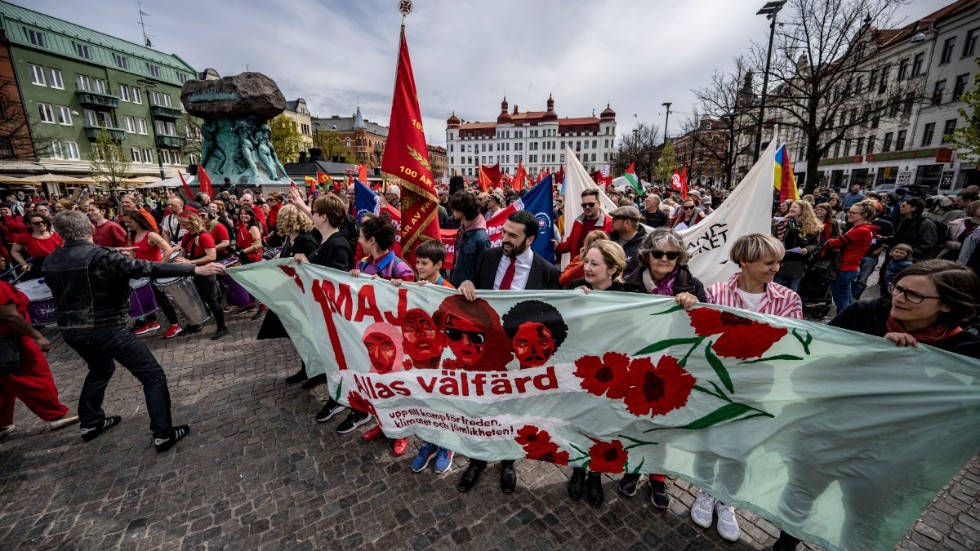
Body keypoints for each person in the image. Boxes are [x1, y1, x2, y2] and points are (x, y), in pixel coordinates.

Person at [773, 260, 980, 551]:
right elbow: (809, 370)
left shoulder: (966, 353)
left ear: (947, 305)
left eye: (913, 295)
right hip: (826, 434)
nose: (898, 297)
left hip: (892, 456)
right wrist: (874, 357)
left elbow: (957, 419)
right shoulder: (863, 314)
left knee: (865, 520)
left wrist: (915, 368)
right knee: (800, 495)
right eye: (898, 288)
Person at [43, 211, 226, 451]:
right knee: (153, 376)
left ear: (59, 233)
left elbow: (79, 273)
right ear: (89, 228)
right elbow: (146, 267)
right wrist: (194, 270)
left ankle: (90, 423)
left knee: (100, 369)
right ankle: (163, 434)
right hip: (106, 327)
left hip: (71, 329)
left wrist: (111, 257)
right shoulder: (101, 256)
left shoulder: (52, 259)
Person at [694, 234, 803, 542]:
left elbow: (791, 346)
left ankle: (727, 500)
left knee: (741, 447)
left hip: (760, 386)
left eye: (778, 262)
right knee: (708, 439)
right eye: (769, 262)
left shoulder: (789, 300)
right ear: (744, 261)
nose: (776, 268)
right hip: (716, 384)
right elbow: (702, 338)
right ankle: (705, 491)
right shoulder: (713, 294)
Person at [456, 210, 560, 495]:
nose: (504, 239)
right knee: (483, 406)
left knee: (514, 410)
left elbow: (554, 316)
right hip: (486, 350)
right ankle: (477, 460)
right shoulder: (490, 257)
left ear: (530, 239)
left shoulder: (548, 273)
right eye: (503, 232)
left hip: (520, 358)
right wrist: (466, 285)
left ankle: (508, 460)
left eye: (513, 236)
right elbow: (471, 286)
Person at [619, 228, 705, 509]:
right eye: (658, 253)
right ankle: (633, 467)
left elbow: (706, 326)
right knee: (637, 421)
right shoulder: (630, 284)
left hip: (673, 367)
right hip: (637, 364)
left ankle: (657, 476)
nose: (664, 259)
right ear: (647, 256)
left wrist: (695, 305)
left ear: (679, 257)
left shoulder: (693, 285)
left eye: (671, 254)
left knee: (664, 425)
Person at [562, 240, 639, 507]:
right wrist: (575, 303)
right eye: (587, 262)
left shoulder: (629, 295)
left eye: (595, 264)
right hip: (579, 373)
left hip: (610, 378)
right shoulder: (574, 288)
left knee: (602, 427)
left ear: (613, 269)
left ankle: (594, 473)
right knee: (579, 423)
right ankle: (578, 469)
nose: (588, 268)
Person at [335, 216, 414, 455]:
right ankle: (383, 425)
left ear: (371, 240)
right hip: (370, 340)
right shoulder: (363, 264)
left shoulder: (400, 269)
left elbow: (410, 308)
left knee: (397, 389)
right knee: (376, 387)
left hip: (395, 345)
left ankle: (402, 432)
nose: (358, 240)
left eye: (361, 236)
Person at [0, 258, 78, 440]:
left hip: (7, 341)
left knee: (4, 384)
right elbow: (10, 316)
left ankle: (2, 422)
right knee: (33, 376)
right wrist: (37, 336)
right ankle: (56, 414)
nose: (3, 258)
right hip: (12, 341)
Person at [406, 239, 458, 475]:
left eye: (424, 263)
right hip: (423, 360)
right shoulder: (417, 286)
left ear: (439, 264)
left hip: (443, 360)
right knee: (427, 401)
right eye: (417, 262)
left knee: (445, 402)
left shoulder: (449, 291)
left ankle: (447, 444)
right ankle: (429, 442)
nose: (419, 267)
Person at [260, 204, 320, 382]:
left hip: (304, 296)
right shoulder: (290, 240)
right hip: (292, 294)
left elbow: (313, 268)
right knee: (298, 335)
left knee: (308, 336)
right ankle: (306, 367)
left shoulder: (306, 240)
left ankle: (316, 371)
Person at [122, 211, 182, 339]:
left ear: (138, 220)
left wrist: (159, 267)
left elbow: (168, 250)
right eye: (125, 222)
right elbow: (134, 255)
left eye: (129, 222)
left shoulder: (151, 235)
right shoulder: (130, 236)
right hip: (141, 272)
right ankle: (152, 322)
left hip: (153, 272)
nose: (127, 225)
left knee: (161, 299)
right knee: (145, 297)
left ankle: (174, 325)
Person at [174, 211, 228, 340]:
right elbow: (185, 251)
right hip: (192, 271)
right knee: (193, 300)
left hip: (205, 271)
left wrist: (189, 262)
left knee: (212, 300)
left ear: (192, 222)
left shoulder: (205, 236)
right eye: (180, 224)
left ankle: (222, 327)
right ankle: (195, 324)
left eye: (184, 224)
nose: (182, 227)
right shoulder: (187, 236)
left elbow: (211, 256)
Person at [823, 200, 878, 314]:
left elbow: (835, 244)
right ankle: (850, 322)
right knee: (847, 299)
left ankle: (842, 327)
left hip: (845, 268)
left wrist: (831, 242)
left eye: (853, 213)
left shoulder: (861, 230)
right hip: (850, 268)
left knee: (841, 302)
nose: (849, 214)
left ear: (865, 215)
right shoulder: (863, 228)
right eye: (849, 211)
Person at [878, 197, 936, 295]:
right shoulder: (904, 220)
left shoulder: (926, 223)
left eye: (904, 205)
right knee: (887, 287)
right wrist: (885, 238)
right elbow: (898, 238)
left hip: (911, 262)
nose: (901, 207)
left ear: (913, 208)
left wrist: (907, 254)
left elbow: (927, 244)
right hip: (895, 260)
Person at [772, 200, 821, 292]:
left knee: (792, 291)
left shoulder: (813, 226)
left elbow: (816, 244)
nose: (791, 209)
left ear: (803, 210)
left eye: (795, 207)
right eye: (791, 207)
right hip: (782, 262)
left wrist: (807, 249)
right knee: (776, 290)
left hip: (798, 264)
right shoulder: (783, 223)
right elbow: (772, 238)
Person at [555, 189, 612, 262]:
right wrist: (557, 245)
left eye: (591, 204)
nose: (587, 207)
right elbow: (570, 243)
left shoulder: (609, 223)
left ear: (599, 204)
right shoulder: (578, 221)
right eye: (584, 205)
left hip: (596, 270)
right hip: (577, 266)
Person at [448, 191, 490, 288]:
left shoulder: (481, 238)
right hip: (456, 286)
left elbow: (483, 272)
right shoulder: (462, 229)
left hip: (468, 292)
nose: (452, 211)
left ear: (463, 210)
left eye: (455, 208)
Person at [11, 213, 63, 280]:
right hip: (38, 266)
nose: (41, 224)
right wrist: (24, 264)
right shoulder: (24, 236)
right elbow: (14, 251)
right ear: (29, 224)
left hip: (57, 264)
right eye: (36, 223)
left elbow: (64, 249)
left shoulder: (56, 235)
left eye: (43, 221)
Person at [609, 206, 647, 276]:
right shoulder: (609, 239)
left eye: (615, 219)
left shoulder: (644, 246)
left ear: (627, 222)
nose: (612, 221)